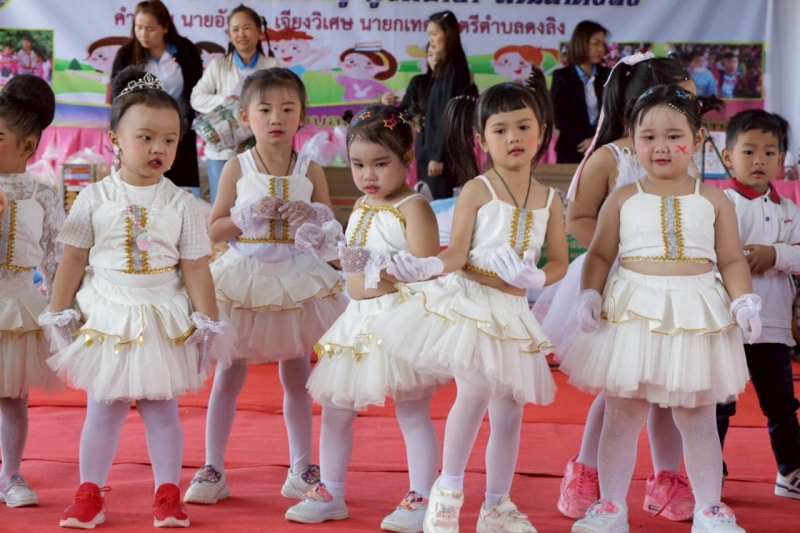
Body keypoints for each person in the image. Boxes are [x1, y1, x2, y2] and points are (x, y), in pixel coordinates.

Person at [374, 70, 569, 532]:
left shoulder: (550, 199)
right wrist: (429, 265)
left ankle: (496, 506)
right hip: (472, 303)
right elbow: (457, 252)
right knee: (475, 393)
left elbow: (560, 261)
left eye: (523, 126)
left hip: (513, 313)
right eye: (500, 130)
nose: (513, 137)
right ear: (481, 139)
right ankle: (447, 492)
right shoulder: (480, 189)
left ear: (542, 131)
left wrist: (538, 277)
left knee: (509, 410)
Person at [39, 68, 233, 529]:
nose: (158, 148)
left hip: (162, 317)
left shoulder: (183, 204)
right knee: (103, 407)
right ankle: (89, 492)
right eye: (145, 137)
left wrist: (207, 320)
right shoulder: (93, 197)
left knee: (162, 410)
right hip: (107, 314)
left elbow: (195, 267)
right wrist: (58, 309)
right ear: (116, 140)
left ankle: (167, 493)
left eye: (169, 139)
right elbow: (72, 259)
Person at [559, 85, 756, 533]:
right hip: (633, 314)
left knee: (698, 419)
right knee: (621, 416)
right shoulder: (623, 197)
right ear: (632, 139)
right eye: (648, 137)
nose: (661, 147)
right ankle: (611, 506)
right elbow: (600, 255)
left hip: (695, 316)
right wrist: (589, 294)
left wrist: (744, 299)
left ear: (699, 138)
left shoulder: (714, 199)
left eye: (674, 136)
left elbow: (730, 259)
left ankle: (708, 509)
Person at [536, 55, 700, 522]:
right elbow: (579, 218)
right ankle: (586, 469)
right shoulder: (611, 157)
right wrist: (621, 257)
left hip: (672, 290)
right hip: (618, 285)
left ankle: (666, 477)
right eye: (684, 98)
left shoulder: (682, 152)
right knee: (621, 387)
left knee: (670, 383)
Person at [184, 68, 346, 506]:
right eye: (265, 109)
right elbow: (214, 229)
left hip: (298, 280)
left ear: (302, 116)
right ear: (245, 117)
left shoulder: (311, 169)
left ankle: (301, 468)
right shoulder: (237, 166)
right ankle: (213, 468)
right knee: (228, 374)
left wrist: (312, 217)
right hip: (244, 280)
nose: (276, 118)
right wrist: (247, 214)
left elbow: (332, 232)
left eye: (288, 109)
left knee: (298, 376)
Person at [285, 104, 444, 531]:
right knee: (336, 408)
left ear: (407, 160)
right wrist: (327, 251)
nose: (368, 175)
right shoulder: (361, 203)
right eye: (358, 164)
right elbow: (352, 265)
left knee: (412, 413)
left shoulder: (414, 207)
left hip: (399, 320)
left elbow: (427, 272)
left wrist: (374, 264)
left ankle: (422, 497)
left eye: (380, 164)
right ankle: (331, 490)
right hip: (357, 320)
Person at [716, 109, 800, 498]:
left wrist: (775, 254)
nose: (759, 160)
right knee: (719, 404)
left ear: (781, 160)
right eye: (748, 151)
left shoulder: (789, 209)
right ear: (727, 156)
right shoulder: (720, 203)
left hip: (774, 325)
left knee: (781, 404)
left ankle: (791, 471)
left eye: (769, 153)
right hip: (726, 324)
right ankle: (709, 471)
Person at [0, 74, 64, 509]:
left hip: (18, 304)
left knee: (12, 397)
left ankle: (11, 472)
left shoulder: (42, 195)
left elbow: (56, 256)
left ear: (27, 146)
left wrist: (63, 309)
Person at [190, 4, 279, 203]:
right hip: (221, 152)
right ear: (229, 34)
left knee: (258, 204)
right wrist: (223, 99)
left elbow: (279, 104)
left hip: (260, 150)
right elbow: (197, 97)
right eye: (235, 29)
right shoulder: (218, 66)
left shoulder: (272, 67)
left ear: (259, 32)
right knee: (222, 205)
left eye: (247, 28)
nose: (241, 34)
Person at [112, 0, 203, 190]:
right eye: (138, 27)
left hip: (180, 131)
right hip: (142, 131)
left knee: (181, 188)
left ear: (165, 28)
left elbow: (198, 89)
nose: (143, 34)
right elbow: (118, 98)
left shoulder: (186, 51)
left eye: (150, 29)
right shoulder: (126, 55)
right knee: (144, 185)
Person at [415, 10, 473, 199]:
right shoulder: (442, 69)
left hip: (443, 157)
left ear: (448, 34)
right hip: (430, 151)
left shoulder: (455, 69)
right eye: (429, 35)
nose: (431, 40)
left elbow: (448, 115)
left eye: (434, 34)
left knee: (439, 209)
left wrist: (438, 156)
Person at [551, 21, 610, 163]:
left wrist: (596, 140)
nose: (601, 49)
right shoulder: (562, 76)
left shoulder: (608, 75)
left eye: (603, 44)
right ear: (581, 43)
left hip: (603, 148)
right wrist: (584, 142)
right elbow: (559, 117)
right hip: (572, 150)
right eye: (596, 43)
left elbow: (613, 113)